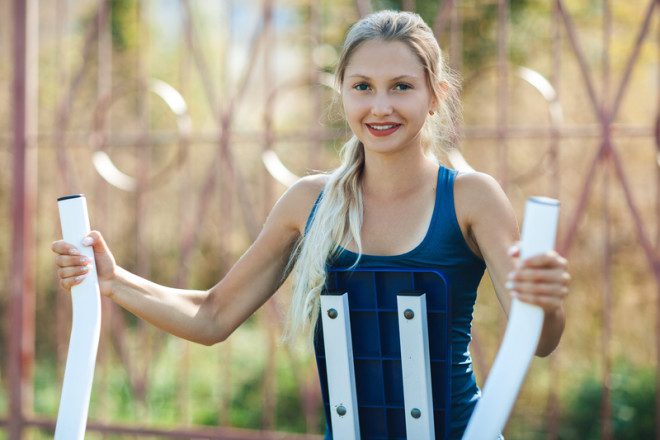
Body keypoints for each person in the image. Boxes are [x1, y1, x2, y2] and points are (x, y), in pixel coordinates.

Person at [52, 10, 570, 439]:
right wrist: (114, 282)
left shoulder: (471, 197)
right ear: (341, 92)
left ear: (435, 95)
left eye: (402, 87)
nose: (380, 106)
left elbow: (539, 340)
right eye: (362, 86)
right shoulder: (309, 203)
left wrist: (544, 300)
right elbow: (210, 316)